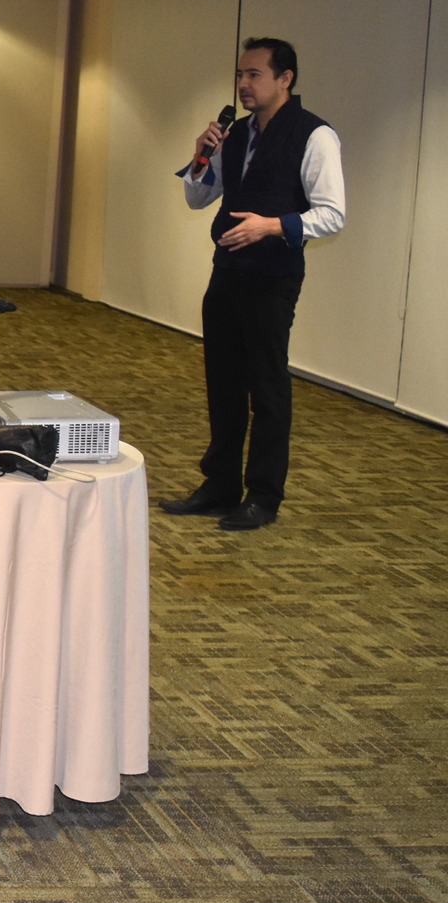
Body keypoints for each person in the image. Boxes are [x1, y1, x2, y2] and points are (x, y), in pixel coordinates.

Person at [161, 38, 346, 532]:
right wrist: (200, 158)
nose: (243, 84)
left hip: (273, 278)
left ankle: (263, 496)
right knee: (222, 382)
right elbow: (198, 199)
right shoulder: (236, 133)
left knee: (266, 388)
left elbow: (332, 214)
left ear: (285, 79)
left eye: (254, 75)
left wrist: (272, 225)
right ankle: (220, 484)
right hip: (227, 275)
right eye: (240, 75)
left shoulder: (314, 135)